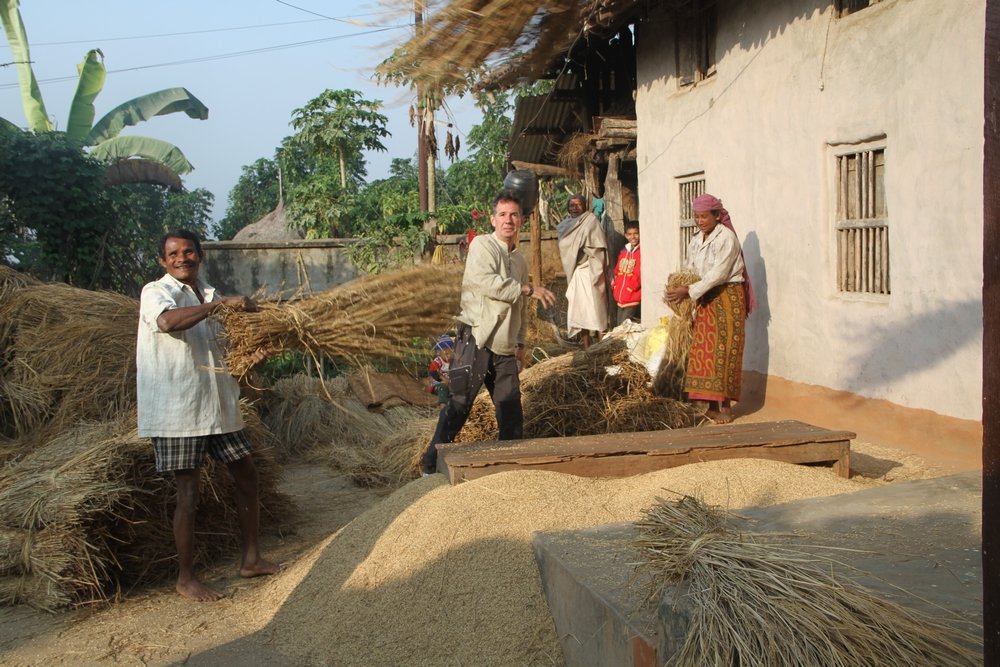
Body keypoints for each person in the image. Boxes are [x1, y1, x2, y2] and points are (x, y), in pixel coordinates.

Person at [136, 229, 279, 601]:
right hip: (180, 410)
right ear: (163, 261)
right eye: (173, 254)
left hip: (219, 406)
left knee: (247, 475)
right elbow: (168, 323)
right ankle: (186, 578)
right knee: (188, 492)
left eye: (188, 252)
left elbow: (228, 358)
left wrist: (252, 359)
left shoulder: (212, 296)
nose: (182, 258)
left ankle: (251, 559)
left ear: (200, 256)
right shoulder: (156, 292)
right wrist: (221, 305)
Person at [420, 191, 557, 475]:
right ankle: (429, 465)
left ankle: (510, 469)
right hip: (476, 337)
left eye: (514, 215)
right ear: (493, 220)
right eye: (503, 215)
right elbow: (487, 283)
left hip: (504, 344)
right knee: (460, 403)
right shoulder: (482, 245)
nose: (509, 220)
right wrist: (527, 289)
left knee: (510, 407)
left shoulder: (519, 261)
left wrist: (520, 343)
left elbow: (520, 308)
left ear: (521, 220)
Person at [665, 194, 756, 424]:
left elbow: (719, 274)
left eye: (704, 216)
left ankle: (726, 407)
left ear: (716, 215)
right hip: (705, 298)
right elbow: (691, 267)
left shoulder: (727, 238)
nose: (700, 221)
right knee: (705, 352)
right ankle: (711, 406)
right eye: (697, 217)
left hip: (727, 297)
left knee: (724, 351)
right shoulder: (696, 240)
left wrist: (689, 290)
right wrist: (679, 280)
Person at [557, 194, 609, 349]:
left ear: (585, 206)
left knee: (596, 307)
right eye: (571, 205)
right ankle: (586, 348)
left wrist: (583, 249)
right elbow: (565, 248)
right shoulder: (565, 226)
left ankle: (602, 345)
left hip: (590, 270)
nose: (575, 208)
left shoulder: (591, 221)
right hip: (576, 273)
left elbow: (598, 246)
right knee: (579, 310)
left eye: (578, 204)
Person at [611, 220, 642, 325]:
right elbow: (617, 270)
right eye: (629, 234)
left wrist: (631, 287)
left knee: (623, 326)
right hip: (620, 297)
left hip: (632, 296)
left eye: (636, 233)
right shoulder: (624, 251)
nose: (633, 237)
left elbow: (640, 273)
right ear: (625, 235)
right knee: (620, 325)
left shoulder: (641, 252)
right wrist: (615, 285)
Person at [425, 333, 455, 404]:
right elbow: (433, 372)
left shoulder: (453, 361)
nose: (448, 356)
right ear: (439, 353)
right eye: (446, 354)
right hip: (438, 384)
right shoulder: (438, 361)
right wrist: (442, 378)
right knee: (443, 388)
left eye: (450, 353)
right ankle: (443, 404)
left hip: (450, 384)